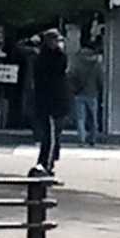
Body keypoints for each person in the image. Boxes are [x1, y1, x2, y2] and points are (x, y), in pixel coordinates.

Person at [32, 29, 72, 175]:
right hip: (49, 103)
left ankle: (48, 163)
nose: (58, 43)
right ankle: (46, 165)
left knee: (53, 136)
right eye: (55, 40)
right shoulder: (45, 58)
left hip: (56, 102)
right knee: (50, 137)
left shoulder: (51, 57)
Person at [68, 35, 104, 147]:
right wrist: (100, 89)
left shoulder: (76, 62)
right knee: (93, 118)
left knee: (80, 118)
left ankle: (82, 139)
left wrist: (72, 88)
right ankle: (93, 138)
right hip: (92, 93)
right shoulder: (96, 64)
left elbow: (71, 76)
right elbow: (100, 79)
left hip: (78, 93)